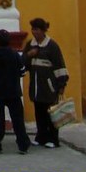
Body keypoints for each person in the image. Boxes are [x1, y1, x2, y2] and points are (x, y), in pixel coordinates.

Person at [0, 28, 32, 154]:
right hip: (14, 91)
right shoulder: (14, 53)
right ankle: (23, 145)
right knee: (18, 120)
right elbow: (22, 72)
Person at [23, 17, 69, 147]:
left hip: (49, 86)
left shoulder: (52, 46)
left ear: (43, 30)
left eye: (37, 29)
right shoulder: (30, 45)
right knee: (39, 113)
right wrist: (29, 55)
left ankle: (53, 139)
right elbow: (23, 63)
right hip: (36, 86)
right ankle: (41, 136)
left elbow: (60, 66)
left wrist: (61, 85)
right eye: (33, 29)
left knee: (51, 113)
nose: (34, 32)